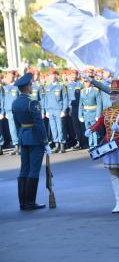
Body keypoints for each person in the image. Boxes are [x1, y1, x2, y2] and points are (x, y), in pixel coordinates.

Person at [86, 80, 119, 213]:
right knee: (114, 174)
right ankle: (118, 201)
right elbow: (100, 123)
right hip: (109, 146)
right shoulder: (106, 111)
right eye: (111, 93)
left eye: (115, 93)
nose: (112, 96)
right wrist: (91, 129)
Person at [12, 73, 51, 210]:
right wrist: (45, 142)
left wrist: (21, 136)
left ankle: (23, 202)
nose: (32, 86)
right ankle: (30, 202)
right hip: (35, 139)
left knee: (24, 169)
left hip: (23, 137)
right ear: (27, 87)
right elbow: (39, 124)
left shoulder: (15, 103)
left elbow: (17, 124)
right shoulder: (32, 103)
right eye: (31, 84)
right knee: (34, 170)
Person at [44, 70, 68, 153]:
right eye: (50, 75)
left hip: (58, 110)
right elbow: (45, 100)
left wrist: (64, 110)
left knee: (60, 128)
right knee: (53, 128)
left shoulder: (61, 86)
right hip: (50, 110)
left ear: (56, 76)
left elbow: (65, 99)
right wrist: (46, 110)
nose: (51, 77)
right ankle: (56, 145)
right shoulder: (47, 87)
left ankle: (62, 145)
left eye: (53, 75)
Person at [79, 78, 102, 148]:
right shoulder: (82, 91)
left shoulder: (95, 91)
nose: (86, 83)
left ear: (90, 82)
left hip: (93, 113)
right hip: (86, 113)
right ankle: (91, 144)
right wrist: (80, 115)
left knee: (94, 129)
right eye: (84, 82)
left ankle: (95, 144)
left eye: (87, 82)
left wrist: (98, 115)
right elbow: (81, 104)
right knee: (88, 130)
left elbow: (99, 103)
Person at [3, 70, 20, 155]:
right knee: (12, 130)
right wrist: (5, 111)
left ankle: (22, 146)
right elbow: (4, 100)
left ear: (13, 77)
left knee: (19, 129)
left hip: (17, 111)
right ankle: (16, 146)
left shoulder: (17, 87)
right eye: (8, 76)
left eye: (10, 76)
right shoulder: (6, 88)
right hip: (9, 112)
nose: (9, 78)